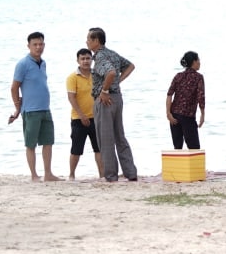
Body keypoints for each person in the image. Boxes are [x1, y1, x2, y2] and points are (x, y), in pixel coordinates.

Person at [88, 27, 138, 183]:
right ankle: (130, 172)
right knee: (119, 136)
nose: (87, 42)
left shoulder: (100, 56)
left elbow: (110, 72)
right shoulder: (113, 54)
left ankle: (111, 175)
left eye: (89, 39)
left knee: (106, 139)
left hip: (106, 100)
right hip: (117, 98)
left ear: (96, 41)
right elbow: (130, 66)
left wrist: (104, 90)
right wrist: (117, 82)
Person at [9, 31, 61, 182]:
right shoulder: (23, 64)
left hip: (45, 109)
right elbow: (14, 88)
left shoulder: (43, 63)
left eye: (41, 44)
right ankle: (34, 175)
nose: (38, 47)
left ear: (44, 45)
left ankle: (48, 174)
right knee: (31, 144)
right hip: (30, 111)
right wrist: (17, 108)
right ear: (29, 46)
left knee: (48, 142)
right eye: (35, 44)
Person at [66, 47, 102, 180]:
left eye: (88, 58)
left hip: (96, 117)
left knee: (99, 148)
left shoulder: (97, 75)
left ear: (92, 60)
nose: (86, 61)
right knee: (76, 149)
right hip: (78, 118)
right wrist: (82, 116)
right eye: (83, 59)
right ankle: (71, 174)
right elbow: (71, 98)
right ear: (78, 60)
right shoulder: (72, 77)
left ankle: (102, 175)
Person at [165, 51, 206, 150]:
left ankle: (177, 161)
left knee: (177, 147)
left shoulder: (178, 76)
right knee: (194, 148)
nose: (200, 62)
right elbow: (201, 98)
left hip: (174, 115)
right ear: (194, 62)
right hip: (188, 117)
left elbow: (169, 95)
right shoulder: (198, 77)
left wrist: (168, 114)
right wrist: (202, 115)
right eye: (198, 60)